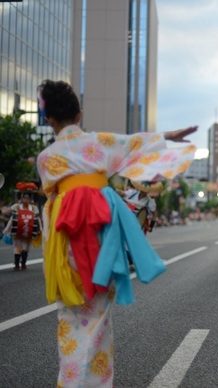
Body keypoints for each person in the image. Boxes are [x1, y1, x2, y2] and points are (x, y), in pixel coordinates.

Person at [36, 79, 197, 387]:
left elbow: (51, 198)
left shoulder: (46, 159)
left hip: (65, 237)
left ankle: (70, 380)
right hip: (99, 236)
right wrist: (168, 136)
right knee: (98, 319)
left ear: (49, 119)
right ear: (79, 114)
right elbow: (133, 144)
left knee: (70, 319)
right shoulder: (99, 143)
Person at [2, 184, 42, 270]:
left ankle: (23, 263)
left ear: (31, 199)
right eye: (24, 197)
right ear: (21, 198)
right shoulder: (17, 206)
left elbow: (37, 219)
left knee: (25, 248)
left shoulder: (33, 208)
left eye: (28, 198)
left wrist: (40, 230)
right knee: (17, 247)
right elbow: (9, 213)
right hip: (18, 231)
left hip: (28, 231)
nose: (26, 200)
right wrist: (5, 211)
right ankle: (16, 264)